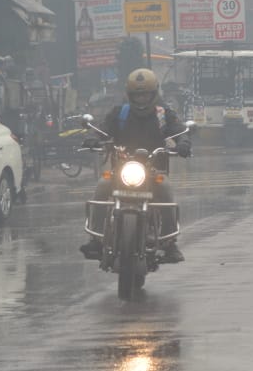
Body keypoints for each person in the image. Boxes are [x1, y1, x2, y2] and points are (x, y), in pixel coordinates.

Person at [80, 68, 191, 263]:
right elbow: (102, 129)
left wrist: (183, 143)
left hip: (154, 170)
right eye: (137, 95)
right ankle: (96, 240)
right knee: (102, 185)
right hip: (121, 169)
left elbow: (179, 130)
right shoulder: (119, 113)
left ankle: (169, 243)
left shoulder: (163, 114)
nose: (141, 99)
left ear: (154, 94)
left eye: (145, 95)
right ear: (130, 95)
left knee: (165, 189)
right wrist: (92, 138)